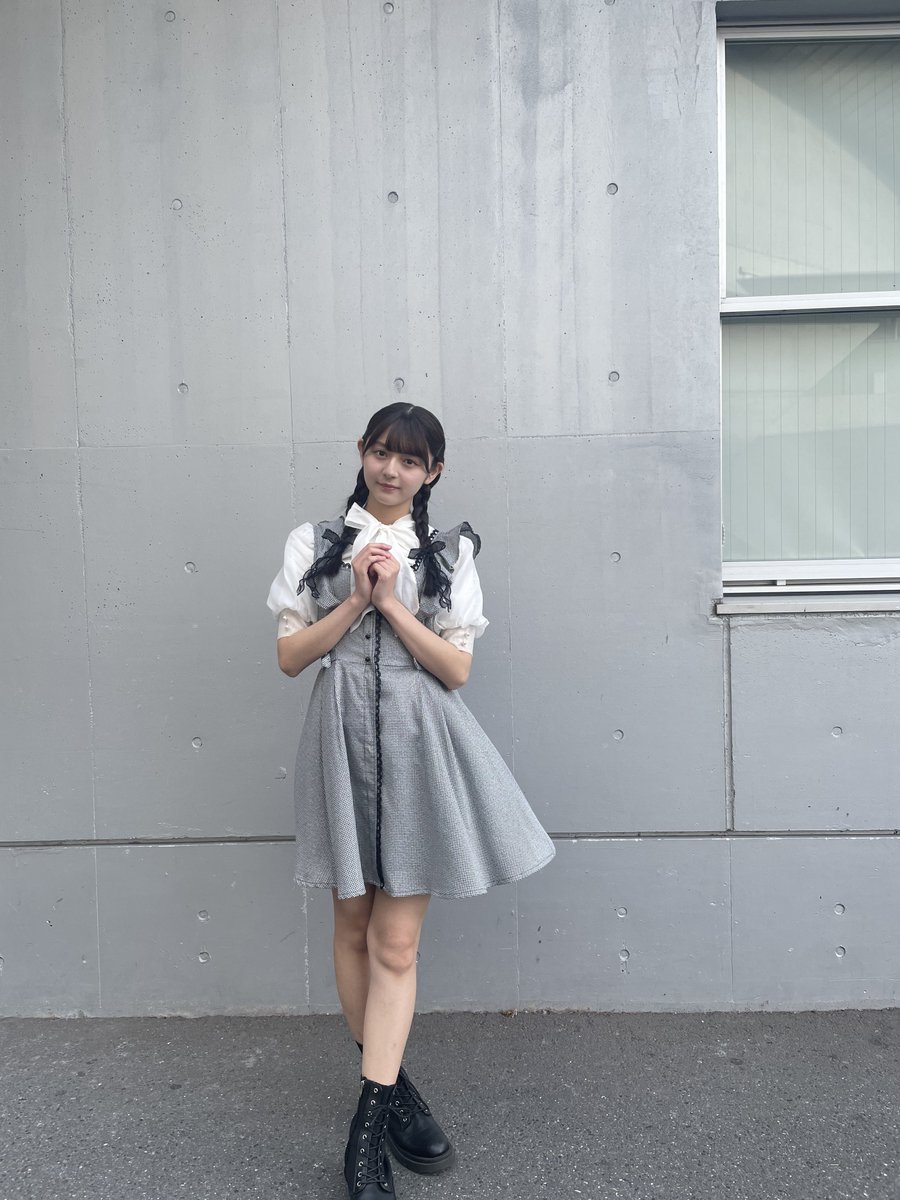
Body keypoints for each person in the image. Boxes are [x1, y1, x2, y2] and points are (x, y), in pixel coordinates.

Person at [266, 402, 555, 1199]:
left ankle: (365, 1136)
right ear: (361, 452)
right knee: (351, 926)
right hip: (340, 740)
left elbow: (456, 670)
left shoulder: (449, 553)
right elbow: (290, 657)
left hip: (419, 744)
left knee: (395, 946)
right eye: (381, 453)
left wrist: (393, 602)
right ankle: (396, 1091)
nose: (391, 470)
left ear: (433, 472)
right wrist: (354, 599)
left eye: (411, 460)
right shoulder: (316, 544)